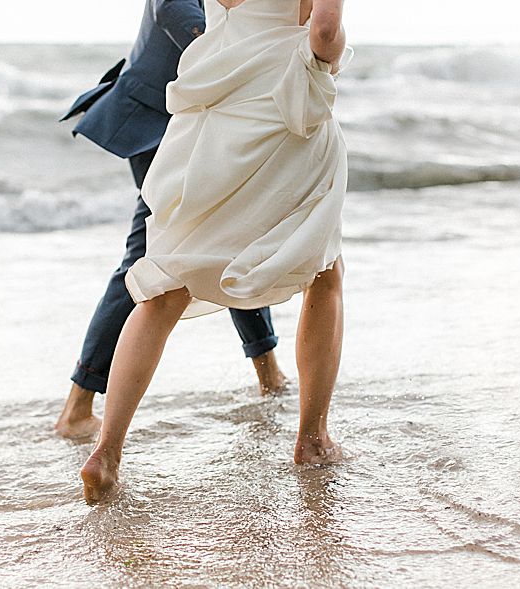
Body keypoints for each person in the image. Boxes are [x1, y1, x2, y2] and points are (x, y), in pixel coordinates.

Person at [80, 0, 352, 504]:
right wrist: (324, 68)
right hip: (281, 110)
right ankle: (312, 440)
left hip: (213, 114)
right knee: (324, 270)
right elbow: (326, 29)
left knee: (167, 285)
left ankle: (107, 451)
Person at [55, 0, 288, 440]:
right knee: (148, 254)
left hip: (201, 121)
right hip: (158, 120)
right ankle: (76, 407)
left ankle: (268, 373)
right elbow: (173, 11)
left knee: (231, 236)